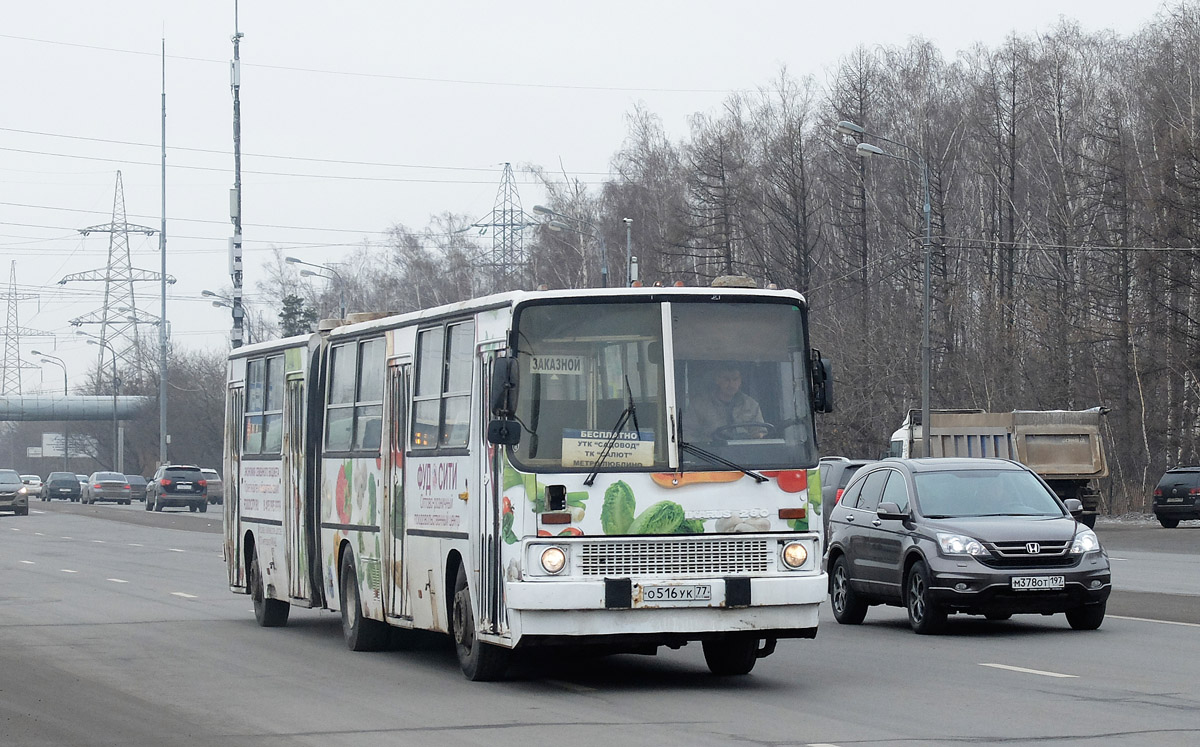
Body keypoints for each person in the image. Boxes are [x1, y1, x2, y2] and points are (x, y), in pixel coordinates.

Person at [686, 364, 766, 440]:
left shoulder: (751, 405)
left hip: (745, 452)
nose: (731, 384)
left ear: (740, 381)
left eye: (735, 379)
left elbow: (760, 431)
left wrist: (758, 436)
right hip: (710, 452)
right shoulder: (699, 405)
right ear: (717, 380)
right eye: (726, 379)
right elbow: (687, 434)